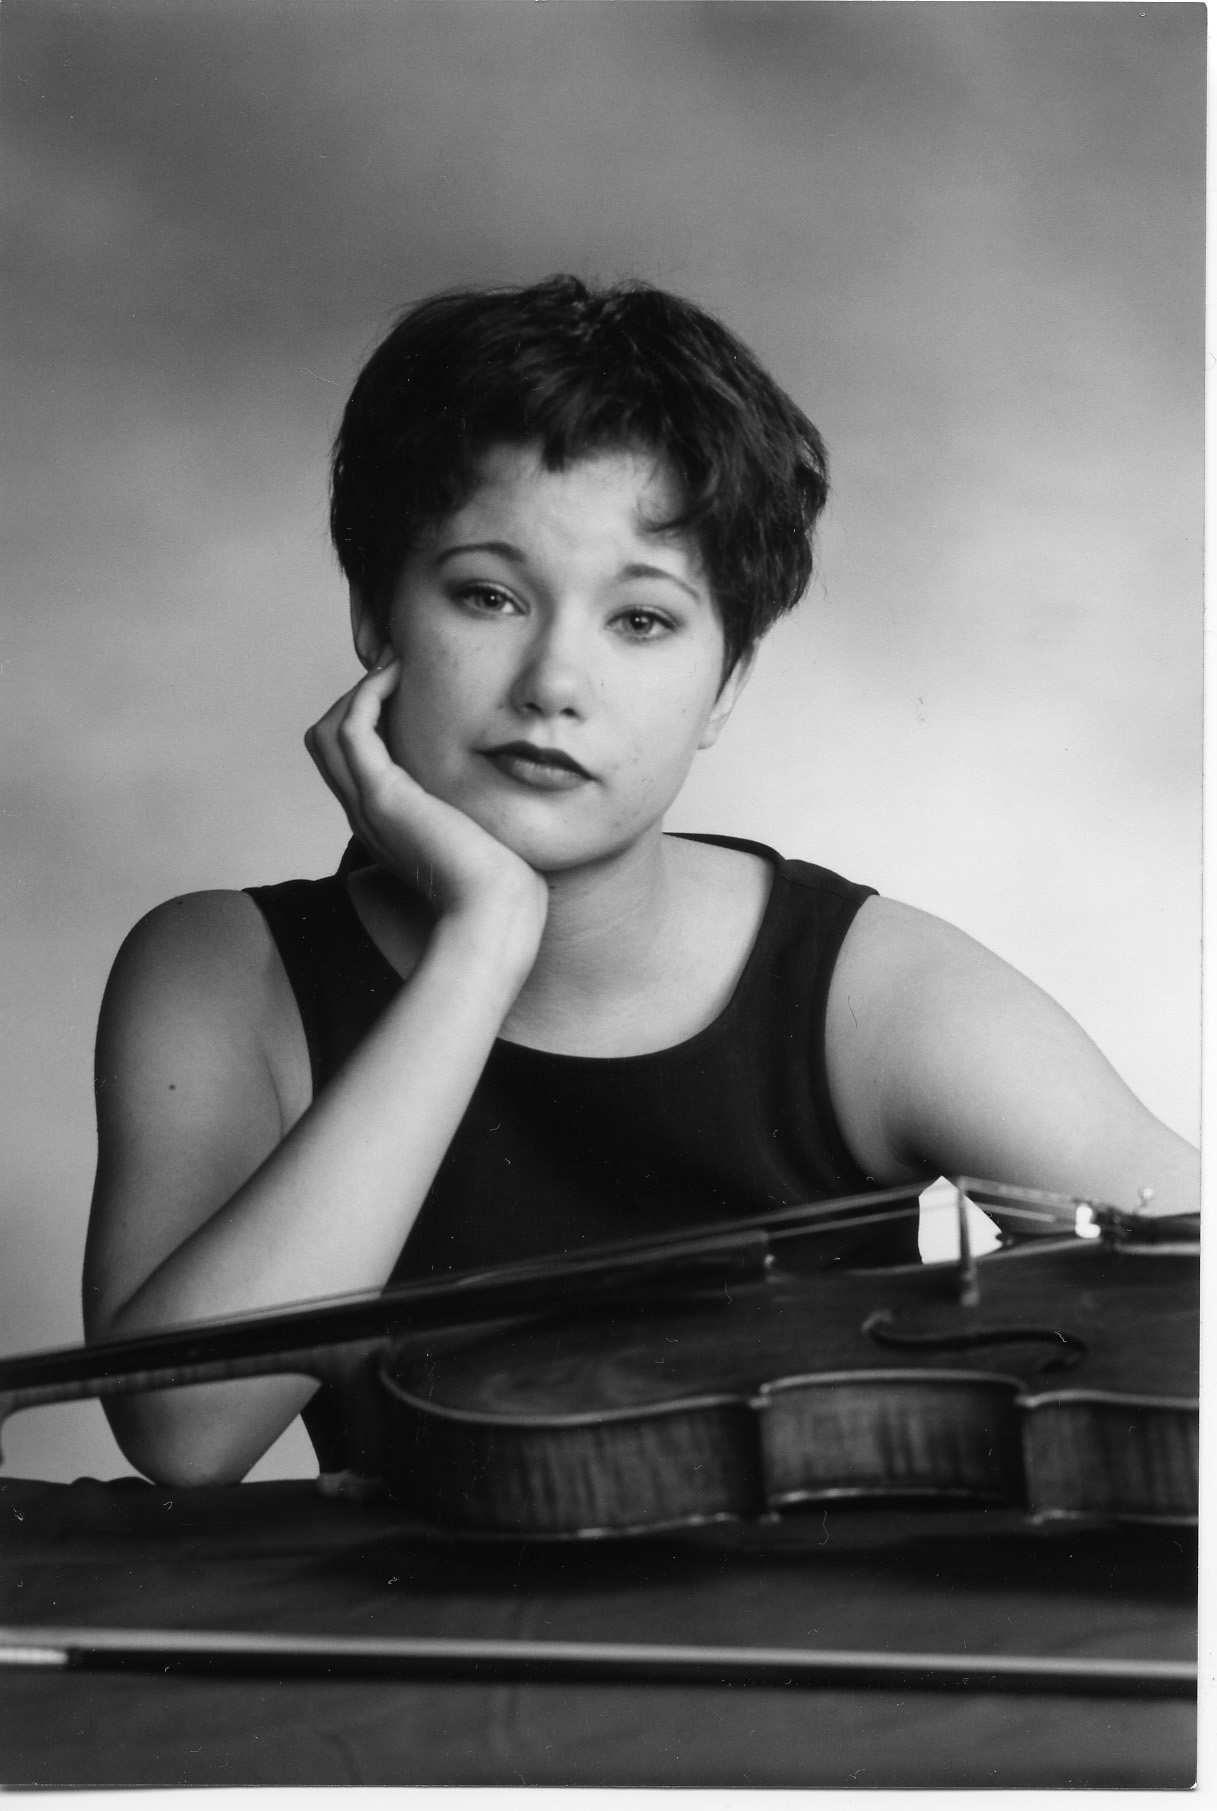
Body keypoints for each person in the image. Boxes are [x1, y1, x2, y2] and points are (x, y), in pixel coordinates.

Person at [82, 276, 1199, 1489]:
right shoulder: (221, 970)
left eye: (643, 621)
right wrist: (481, 941)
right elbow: (187, 1432)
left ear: (725, 685)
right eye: (487, 596)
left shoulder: (867, 991)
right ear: (375, 615)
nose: (553, 682)